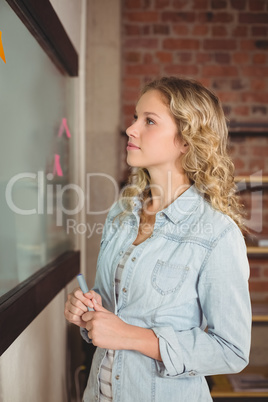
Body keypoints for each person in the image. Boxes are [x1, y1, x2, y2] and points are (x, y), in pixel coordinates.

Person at [64, 76, 251, 402]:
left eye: (149, 121)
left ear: (186, 141)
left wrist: (130, 336)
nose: (132, 129)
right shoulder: (120, 214)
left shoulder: (218, 234)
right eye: (136, 117)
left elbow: (231, 351)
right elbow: (111, 311)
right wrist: (87, 312)